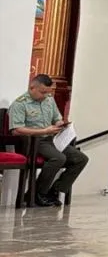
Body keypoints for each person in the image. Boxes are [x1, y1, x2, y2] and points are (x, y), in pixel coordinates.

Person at [7, 73, 87, 206]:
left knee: (81, 159)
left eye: (47, 92)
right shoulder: (20, 104)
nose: (45, 96)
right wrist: (44, 131)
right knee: (59, 158)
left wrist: (60, 123)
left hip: (52, 139)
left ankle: (54, 191)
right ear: (32, 87)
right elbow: (16, 130)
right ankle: (37, 194)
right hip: (34, 141)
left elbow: (57, 118)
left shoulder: (49, 99)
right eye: (42, 92)